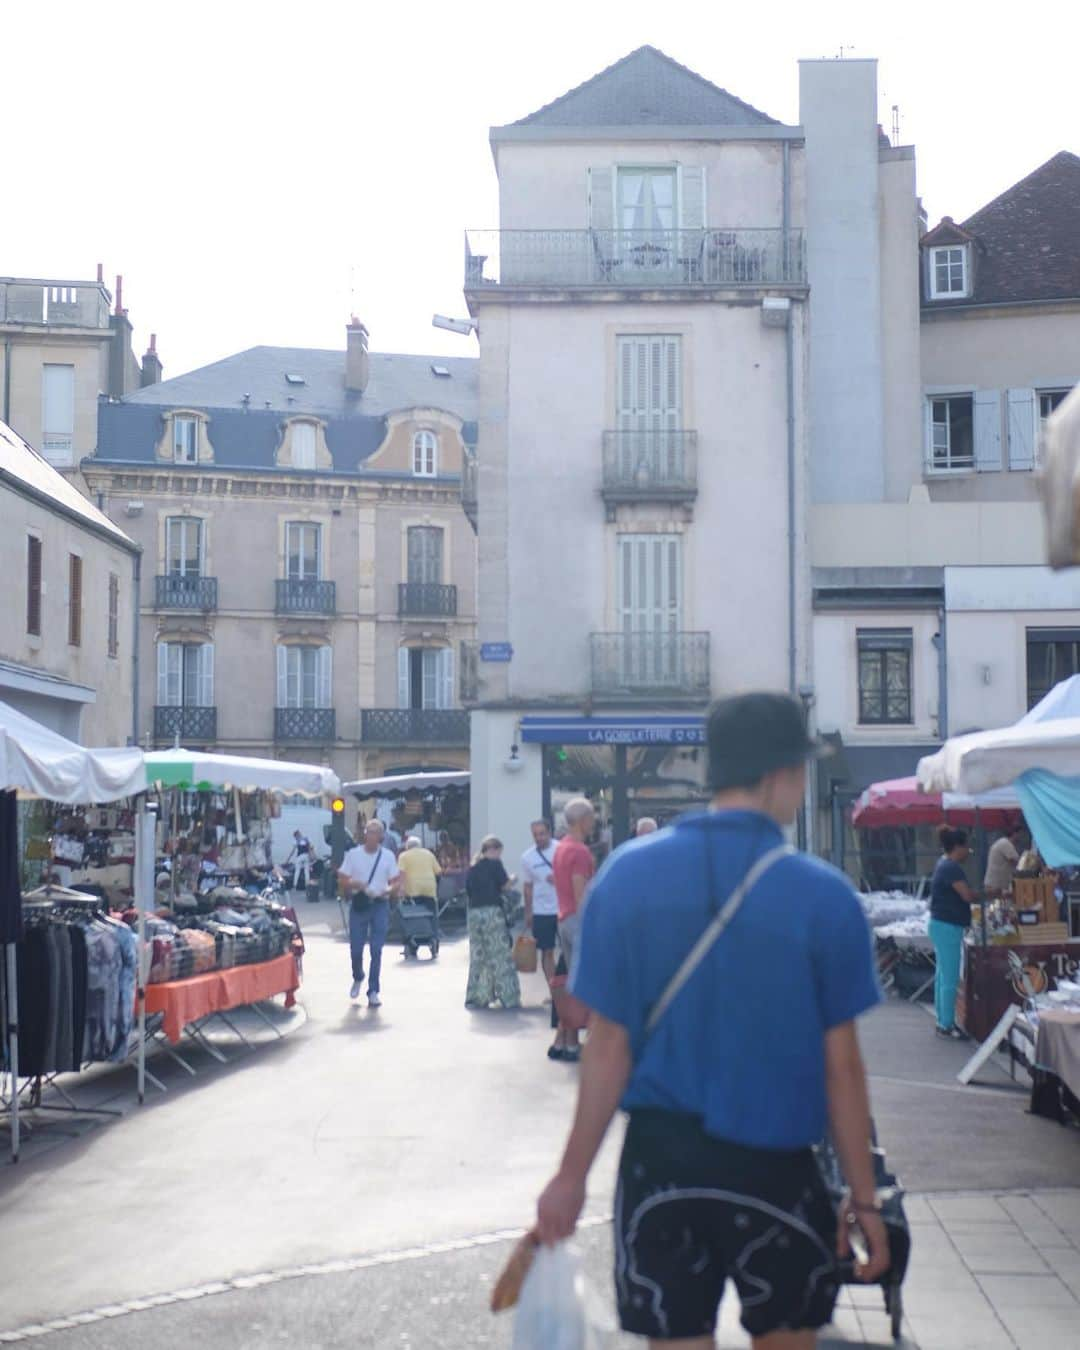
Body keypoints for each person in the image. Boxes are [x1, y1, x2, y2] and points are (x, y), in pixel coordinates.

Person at [535, 692, 889, 1350]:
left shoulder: (625, 878)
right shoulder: (824, 897)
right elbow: (842, 1067)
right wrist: (863, 1199)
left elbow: (606, 1047)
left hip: (662, 1170)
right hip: (777, 1168)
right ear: (786, 774)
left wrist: (571, 1177)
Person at [338, 819, 402, 1007]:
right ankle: (358, 976)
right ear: (365, 834)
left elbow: (396, 882)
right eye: (370, 832)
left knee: (376, 949)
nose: (373, 836)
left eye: (376, 832)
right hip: (360, 903)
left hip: (379, 904)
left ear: (382, 836)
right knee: (356, 948)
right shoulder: (353, 854)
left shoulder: (388, 856)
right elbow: (342, 879)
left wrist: (388, 891)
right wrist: (356, 884)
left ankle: (373, 990)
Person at [552, 798, 597, 1063]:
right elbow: (581, 891)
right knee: (586, 983)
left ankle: (567, 1041)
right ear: (583, 820)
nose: (594, 823)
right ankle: (579, 1042)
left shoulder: (562, 848)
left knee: (571, 982)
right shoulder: (579, 851)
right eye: (591, 817)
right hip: (577, 920)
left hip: (563, 917)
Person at [930, 826, 977, 1039]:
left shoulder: (943, 864)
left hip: (940, 924)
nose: (968, 851)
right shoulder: (951, 868)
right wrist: (992, 893)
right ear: (957, 847)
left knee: (942, 975)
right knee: (949, 978)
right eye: (966, 846)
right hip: (948, 926)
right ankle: (946, 1024)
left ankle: (943, 1020)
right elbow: (966, 895)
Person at [464, 835, 521, 1010]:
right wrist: (513, 878)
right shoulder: (495, 865)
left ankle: (477, 996)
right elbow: (504, 887)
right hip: (492, 913)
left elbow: (469, 891)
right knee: (500, 955)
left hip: (474, 914)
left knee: (479, 955)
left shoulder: (472, 868)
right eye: (499, 852)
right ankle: (508, 997)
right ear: (494, 850)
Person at [521, 819, 562, 1051]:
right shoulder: (528, 857)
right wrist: (528, 912)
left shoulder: (561, 849)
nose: (539, 838)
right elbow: (527, 886)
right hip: (542, 911)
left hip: (564, 908)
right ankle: (553, 991)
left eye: (543, 833)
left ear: (550, 832)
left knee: (566, 951)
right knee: (546, 952)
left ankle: (569, 991)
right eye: (536, 834)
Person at [397, 835, 442, 933]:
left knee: (414, 914)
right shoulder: (429, 854)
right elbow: (438, 872)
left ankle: (415, 934)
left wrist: (401, 888)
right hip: (429, 888)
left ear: (407, 846)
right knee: (432, 913)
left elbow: (402, 873)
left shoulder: (403, 856)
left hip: (413, 889)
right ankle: (434, 933)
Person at [983, 823, 1029, 899]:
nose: (1021, 837)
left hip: (995, 884)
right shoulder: (1006, 844)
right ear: (1015, 833)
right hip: (995, 885)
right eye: (1020, 834)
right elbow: (1018, 863)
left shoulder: (1003, 842)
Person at [285, 829, 313, 897]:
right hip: (306, 856)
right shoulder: (306, 839)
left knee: (297, 871)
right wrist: (311, 856)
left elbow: (293, 851)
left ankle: (295, 886)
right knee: (307, 871)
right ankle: (307, 886)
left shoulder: (296, 841)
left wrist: (287, 860)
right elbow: (310, 848)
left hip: (300, 856)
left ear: (296, 836)